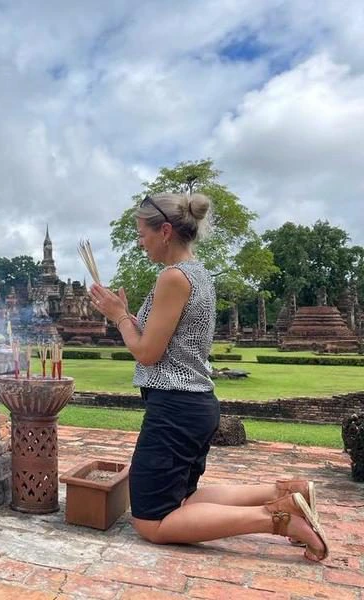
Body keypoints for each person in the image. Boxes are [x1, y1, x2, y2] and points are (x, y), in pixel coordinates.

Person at [89, 192, 328, 562]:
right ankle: (287, 491)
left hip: (176, 408)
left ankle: (280, 519)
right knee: (186, 501)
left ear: (165, 231)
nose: (140, 241)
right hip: (193, 404)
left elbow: (148, 353)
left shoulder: (172, 277)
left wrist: (119, 317)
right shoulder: (195, 272)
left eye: (142, 233)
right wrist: (124, 316)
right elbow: (165, 341)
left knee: (151, 520)